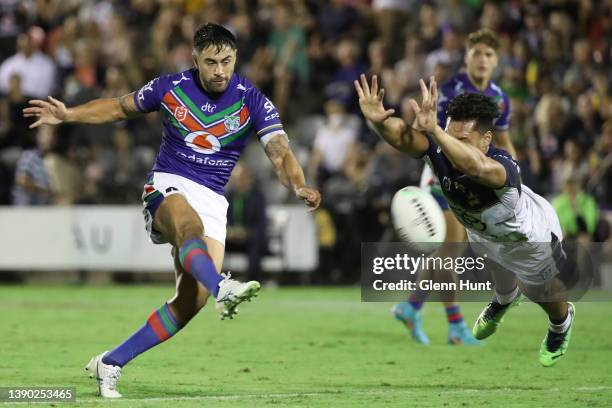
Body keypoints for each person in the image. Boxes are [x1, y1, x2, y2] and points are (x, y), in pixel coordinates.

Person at [23, 23, 320, 398]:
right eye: (210, 62)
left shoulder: (254, 101)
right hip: (167, 183)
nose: (219, 70)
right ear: (195, 59)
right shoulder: (171, 87)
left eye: (226, 61)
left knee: (188, 303)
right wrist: (68, 115)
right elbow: (118, 107)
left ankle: (110, 362)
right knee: (188, 229)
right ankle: (222, 287)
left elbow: (279, 152)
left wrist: (299, 184)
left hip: (213, 198)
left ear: (236, 58)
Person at [355, 74, 574, 366]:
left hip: (527, 237)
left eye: (462, 140)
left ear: (486, 139)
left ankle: (561, 324)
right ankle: (504, 300)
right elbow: (404, 137)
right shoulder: (440, 150)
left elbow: (474, 165)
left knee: (538, 290)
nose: (449, 145)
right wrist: (378, 122)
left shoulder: (502, 167)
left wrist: (436, 132)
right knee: (495, 264)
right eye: (448, 134)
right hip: (484, 232)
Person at [392, 28, 515, 346]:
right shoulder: (450, 89)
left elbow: (502, 140)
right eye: (477, 54)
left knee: (448, 251)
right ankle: (455, 325)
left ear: (496, 60)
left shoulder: (500, 97)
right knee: (450, 250)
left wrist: (516, 177)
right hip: (443, 175)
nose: (483, 60)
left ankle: (413, 306)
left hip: (474, 180)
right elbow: (436, 134)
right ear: (467, 57)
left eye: (489, 55)